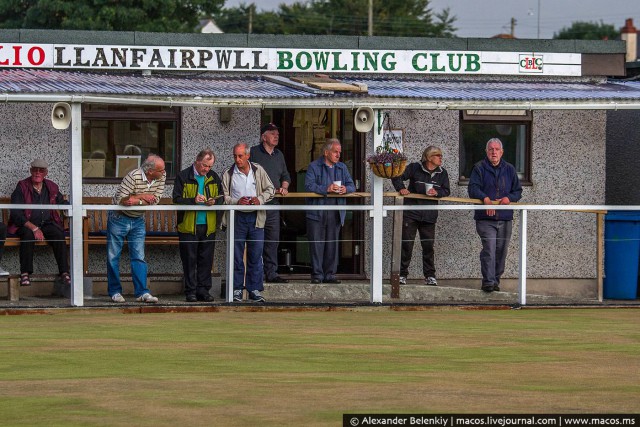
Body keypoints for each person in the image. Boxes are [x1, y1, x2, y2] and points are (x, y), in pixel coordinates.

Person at [107, 154, 166, 303]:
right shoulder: (132, 176)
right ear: (150, 171)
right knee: (113, 256)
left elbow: (155, 200)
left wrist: (137, 200)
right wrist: (143, 195)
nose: (164, 172)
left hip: (138, 219)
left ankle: (142, 292)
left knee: (139, 256)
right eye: (161, 170)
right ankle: (115, 292)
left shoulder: (161, 177)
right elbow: (123, 200)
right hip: (119, 218)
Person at [221, 143, 275, 303]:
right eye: (235, 156)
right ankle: (237, 289)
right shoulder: (229, 173)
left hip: (256, 217)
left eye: (240, 156)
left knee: (256, 255)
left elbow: (270, 189)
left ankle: (254, 289)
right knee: (236, 256)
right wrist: (238, 201)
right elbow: (223, 197)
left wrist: (259, 199)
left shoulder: (258, 170)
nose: (237, 160)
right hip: (237, 216)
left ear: (248, 156)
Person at [468, 138, 522, 293]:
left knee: (501, 252)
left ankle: (496, 282)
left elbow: (517, 191)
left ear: (502, 152)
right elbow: (473, 189)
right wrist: (485, 199)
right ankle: (488, 282)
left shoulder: (510, 169)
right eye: (491, 149)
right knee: (489, 250)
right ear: (486, 151)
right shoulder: (479, 168)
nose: (494, 152)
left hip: (505, 217)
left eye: (497, 149)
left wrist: (509, 198)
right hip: (485, 218)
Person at [391, 146, 450, 286]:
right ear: (429, 157)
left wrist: (437, 192)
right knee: (406, 245)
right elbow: (396, 175)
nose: (441, 158)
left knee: (428, 246)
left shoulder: (443, 173)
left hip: (429, 215)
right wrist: (401, 188)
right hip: (411, 213)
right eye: (438, 155)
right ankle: (402, 275)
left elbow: (446, 190)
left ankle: (430, 276)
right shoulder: (415, 167)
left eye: (441, 155)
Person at [8, 159, 69, 287]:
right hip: (25, 224)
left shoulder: (51, 187)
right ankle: (25, 272)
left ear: (45, 173)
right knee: (28, 235)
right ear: (30, 171)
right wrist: (34, 228)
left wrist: (69, 207)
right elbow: (15, 213)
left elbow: (61, 202)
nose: (37, 173)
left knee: (58, 233)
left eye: (41, 170)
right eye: (35, 170)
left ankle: (64, 272)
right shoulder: (22, 186)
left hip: (46, 223)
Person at [173, 149, 223, 302]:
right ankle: (190, 291)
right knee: (189, 260)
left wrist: (214, 201)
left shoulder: (214, 177)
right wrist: (193, 200)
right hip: (188, 225)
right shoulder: (183, 175)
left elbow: (222, 197)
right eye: (204, 166)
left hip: (208, 225)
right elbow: (176, 199)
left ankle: (203, 291)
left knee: (206, 260)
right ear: (197, 161)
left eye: (209, 166)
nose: (206, 169)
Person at [305, 139, 356, 284]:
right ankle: (317, 275)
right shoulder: (314, 166)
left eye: (339, 152)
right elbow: (308, 186)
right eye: (335, 152)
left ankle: (330, 274)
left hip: (335, 211)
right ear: (326, 152)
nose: (338, 155)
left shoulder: (342, 167)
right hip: (317, 212)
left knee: (332, 244)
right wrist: (326, 189)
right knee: (316, 244)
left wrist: (346, 189)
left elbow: (352, 185)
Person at [250, 123, 291, 284]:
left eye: (277, 134)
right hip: (257, 205)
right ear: (263, 136)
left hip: (274, 204)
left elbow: (286, 175)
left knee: (272, 241)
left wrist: (285, 187)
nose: (276, 136)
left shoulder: (279, 155)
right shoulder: (253, 153)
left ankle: (271, 273)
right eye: (272, 133)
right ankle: (256, 274)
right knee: (256, 242)